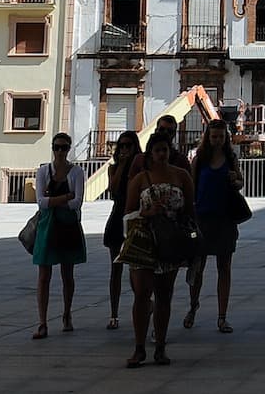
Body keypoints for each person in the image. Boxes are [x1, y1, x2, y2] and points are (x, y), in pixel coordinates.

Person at [118, 130, 194, 367]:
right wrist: (147, 212)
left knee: (164, 295)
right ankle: (139, 347)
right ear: (150, 154)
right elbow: (128, 213)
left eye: (165, 150)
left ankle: (160, 346)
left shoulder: (182, 176)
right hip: (144, 242)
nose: (162, 154)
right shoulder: (140, 179)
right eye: (158, 150)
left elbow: (190, 211)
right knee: (141, 295)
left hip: (170, 243)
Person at [184, 117, 243, 333]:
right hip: (202, 219)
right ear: (207, 137)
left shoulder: (230, 157)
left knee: (224, 267)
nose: (217, 140)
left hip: (225, 219)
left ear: (225, 138)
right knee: (197, 267)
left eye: (220, 136)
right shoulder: (200, 159)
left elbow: (240, 182)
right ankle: (193, 306)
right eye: (214, 136)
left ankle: (222, 316)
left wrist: (234, 180)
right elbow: (190, 186)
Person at [29, 132, 87, 340]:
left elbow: (77, 202)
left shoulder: (77, 172)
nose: (60, 151)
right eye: (56, 147)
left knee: (67, 274)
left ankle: (67, 313)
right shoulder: (44, 171)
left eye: (64, 147)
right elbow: (40, 202)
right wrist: (65, 197)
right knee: (44, 276)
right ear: (52, 148)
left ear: (69, 149)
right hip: (48, 227)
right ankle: (42, 322)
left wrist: (53, 199)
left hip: (67, 226)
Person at [101, 130, 141, 329]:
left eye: (129, 145)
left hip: (135, 219)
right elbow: (113, 190)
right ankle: (114, 314)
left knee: (137, 269)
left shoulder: (141, 168)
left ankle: (142, 306)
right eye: (122, 145)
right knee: (115, 269)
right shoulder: (114, 168)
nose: (125, 149)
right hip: (117, 219)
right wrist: (123, 165)